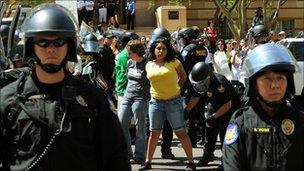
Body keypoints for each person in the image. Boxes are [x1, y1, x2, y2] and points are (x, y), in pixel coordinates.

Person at [0, 4, 130, 171]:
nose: (51, 49)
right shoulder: (9, 100)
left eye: (58, 42)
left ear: (69, 45)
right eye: (43, 43)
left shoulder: (92, 98)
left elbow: (116, 156)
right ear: (32, 46)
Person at [222, 43, 304, 170]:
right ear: (254, 84)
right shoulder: (241, 122)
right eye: (267, 78)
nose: (275, 85)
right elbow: (231, 164)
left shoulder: (299, 119)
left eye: (280, 78)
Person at [139, 37, 196, 170]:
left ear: (167, 50)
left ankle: (191, 162)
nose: (161, 51)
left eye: (164, 49)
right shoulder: (149, 64)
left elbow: (183, 77)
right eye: (158, 48)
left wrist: (177, 89)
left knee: (181, 132)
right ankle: (148, 162)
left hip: (174, 102)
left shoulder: (174, 62)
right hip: (155, 103)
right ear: (153, 49)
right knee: (154, 133)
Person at [185, 62, 240, 168]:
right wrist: (187, 110)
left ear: (208, 77)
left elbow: (228, 104)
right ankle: (208, 155)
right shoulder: (201, 84)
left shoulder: (221, 83)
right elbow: (196, 96)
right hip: (214, 104)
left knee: (226, 135)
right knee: (209, 132)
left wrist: (214, 116)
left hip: (229, 108)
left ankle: (226, 160)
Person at [118, 40, 150, 165]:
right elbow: (128, 77)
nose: (128, 54)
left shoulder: (147, 64)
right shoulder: (129, 62)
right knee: (121, 124)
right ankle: (127, 154)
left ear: (137, 52)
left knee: (140, 128)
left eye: (130, 52)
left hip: (141, 98)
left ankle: (139, 156)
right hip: (127, 96)